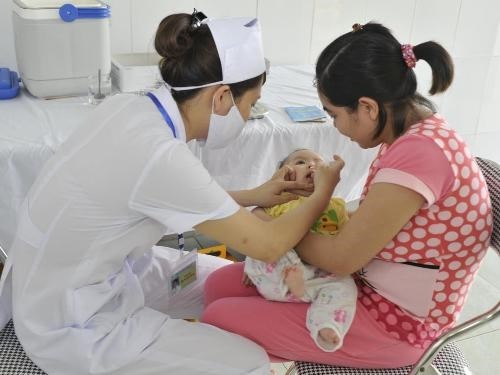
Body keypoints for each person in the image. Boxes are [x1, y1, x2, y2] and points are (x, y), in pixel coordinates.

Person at [0, 10, 344, 375]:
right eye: (250, 103)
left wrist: (257, 195)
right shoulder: (158, 154)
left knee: (223, 280)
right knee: (253, 364)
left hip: (99, 275)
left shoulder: (131, 107)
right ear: (223, 97)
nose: (248, 114)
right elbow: (268, 244)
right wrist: (322, 191)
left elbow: (173, 194)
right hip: (74, 322)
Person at [202, 22, 493, 368]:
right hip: (366, 284)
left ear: (368, 108)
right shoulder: (412, 136)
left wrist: (279, 224)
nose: (336, 127)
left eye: (335, 115)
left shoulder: (421, 154)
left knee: (221, 317)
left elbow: (341, 259)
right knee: (217, 286)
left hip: (396, 325)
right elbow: (363, 230)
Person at [244, 148, 357, 353]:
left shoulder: (336, 206)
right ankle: (291, 272)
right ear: (285, 175)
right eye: (301, 162)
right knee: (271, 239)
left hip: (314, 278)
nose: (311, 165)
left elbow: (348, 231)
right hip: (275, 274)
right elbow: (255, 236)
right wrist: (248, 267)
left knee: (346, 286)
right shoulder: (277, 202)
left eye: (318, 162)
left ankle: (326, 325)